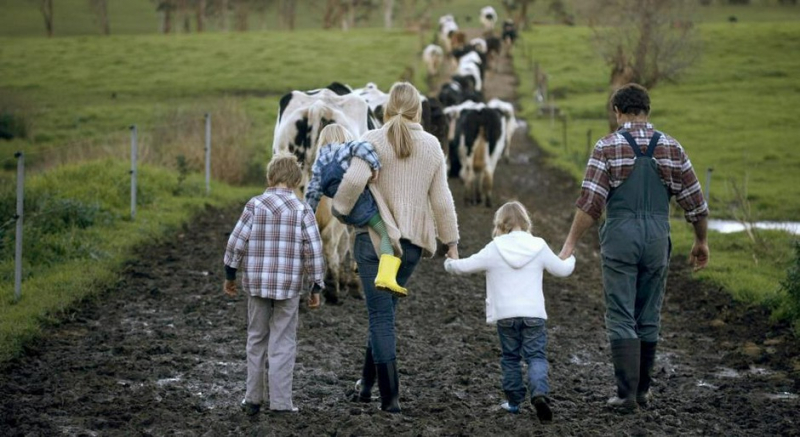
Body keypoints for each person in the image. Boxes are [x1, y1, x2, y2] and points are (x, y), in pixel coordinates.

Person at [559, 83, 710, 413]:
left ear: (617, 112)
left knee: (621, 312)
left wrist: (570, 243)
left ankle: (625, 395)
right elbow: (697, 203)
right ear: (647, 112)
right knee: (648, 312)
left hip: (621, 237)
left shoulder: (607, 146)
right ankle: (642, 391)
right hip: (657, 237)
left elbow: (590, 204)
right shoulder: (671, 147)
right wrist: (701, 241)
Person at [332, 82, 460, 413]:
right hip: (412, 247)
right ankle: (366, 387)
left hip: (375, 244)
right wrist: (452, 242)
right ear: (418, 110)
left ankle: (390, 400)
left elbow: (352, 182)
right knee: (384, 314)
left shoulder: (372, 140)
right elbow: (442, 200)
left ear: (386, 108)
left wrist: (339, 210)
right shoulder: (431, 146)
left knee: (380, 316)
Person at [443, 201, 574, 422]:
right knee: (536, 357)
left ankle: (513, 403)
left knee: (511, 358)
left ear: (500, 223)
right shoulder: (539, 245)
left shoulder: (495, 247)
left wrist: (450, 262)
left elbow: (463, 266)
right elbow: (562, 270)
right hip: (533, 315)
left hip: (506, 316)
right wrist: (571, 258)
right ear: (525, 222)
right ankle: (539, 394)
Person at [222, 152, 326, 416]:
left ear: (270, 177)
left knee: (256, 338)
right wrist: (316, 286)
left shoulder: (254, 206)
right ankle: (281, 403)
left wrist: (230, 274)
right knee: (283, 341)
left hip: (256, 285)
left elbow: (236, 241)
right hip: (289, 288)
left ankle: (253, 398)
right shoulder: (303, 210)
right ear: (296, 180)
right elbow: (314, 250)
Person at [305, 123, 406, 296]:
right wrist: (375, 167)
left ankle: (362, 266)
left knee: (362, 232)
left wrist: (307, 215)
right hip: (361, 204)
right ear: (343, 136)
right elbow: (364, 147)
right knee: (386, 234)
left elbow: (313, 192)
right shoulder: (346, 148)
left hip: (342, 211)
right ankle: (386, 277)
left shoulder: (319, 162)